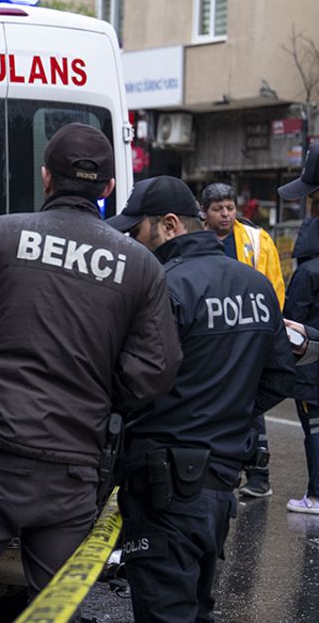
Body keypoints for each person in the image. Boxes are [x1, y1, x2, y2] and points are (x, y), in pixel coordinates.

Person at [0, 124, 181, 623]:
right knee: (57, 608)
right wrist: (97, 394)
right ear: (106, 189)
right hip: (72, 464)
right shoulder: (141, 267)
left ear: (45, 177)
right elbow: (154, 372)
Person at [108, 175, 299, 623]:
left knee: (165, 611)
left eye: (138, 231)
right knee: (196, 608)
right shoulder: (257, 286)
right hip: (219, 482)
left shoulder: (163, 287)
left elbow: (134, 383)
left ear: (169, 225)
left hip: (163, 485)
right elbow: (280, 376)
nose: (135, 243)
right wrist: (226, 413)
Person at [201, 181, 286, 498]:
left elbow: (274, 286)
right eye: (217, 209)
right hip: (213, 334)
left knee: (250, 405)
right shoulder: (197, 240)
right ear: (204, 212)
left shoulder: (256, 240)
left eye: (229, 208)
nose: (225, 214)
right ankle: (225, 469)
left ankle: (259, 475)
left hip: (248, 334)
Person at [277, 149, 319, 514]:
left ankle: (316, 494)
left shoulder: (308, 271)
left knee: (315, 428)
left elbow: (294, 322)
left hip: (312, 366)